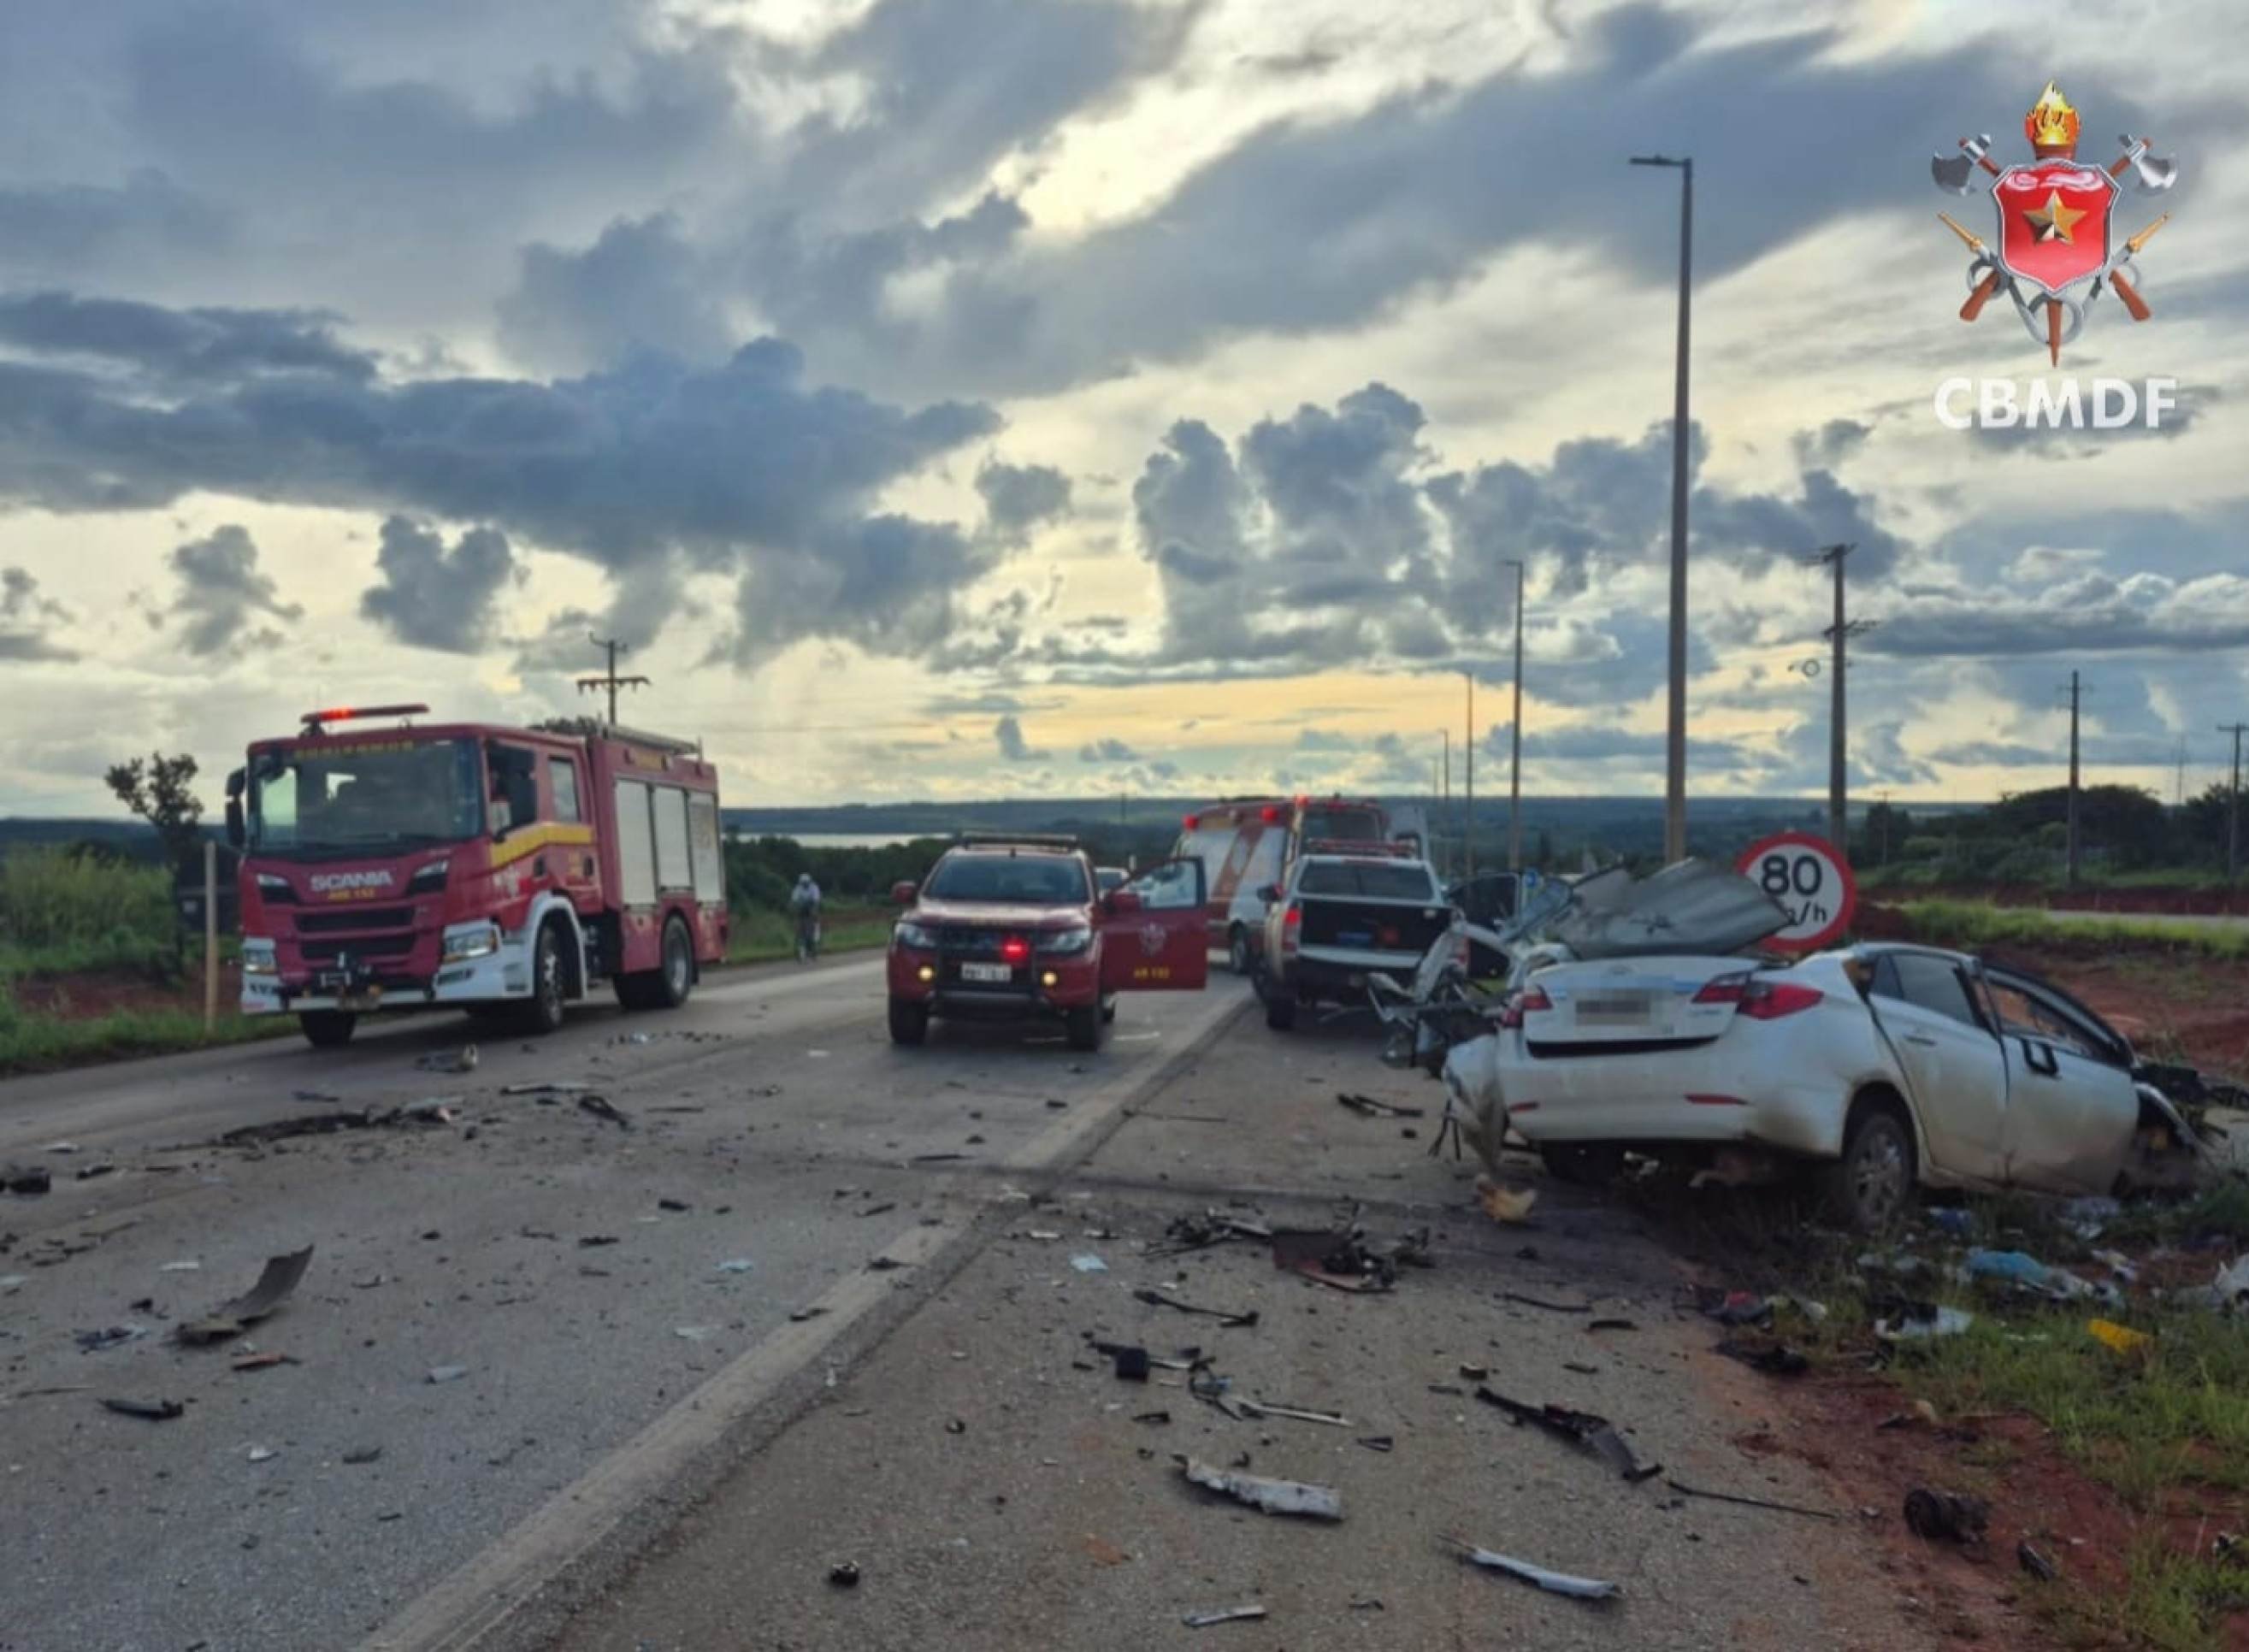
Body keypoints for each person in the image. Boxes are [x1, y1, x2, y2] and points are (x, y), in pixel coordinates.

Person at [789, 872, 823, 961]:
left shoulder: (814, 887)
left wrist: (814, 911)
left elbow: (816, 901)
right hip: (802, 910)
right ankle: (800, 944)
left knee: (811, 929)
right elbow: (794, 900)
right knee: (799, 928)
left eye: (806, 883)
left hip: (811, 908)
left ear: (809, 882)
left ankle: (815, 942)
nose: (805, 885)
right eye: (803, 883)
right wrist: (793, 909)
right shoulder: (798, 888)